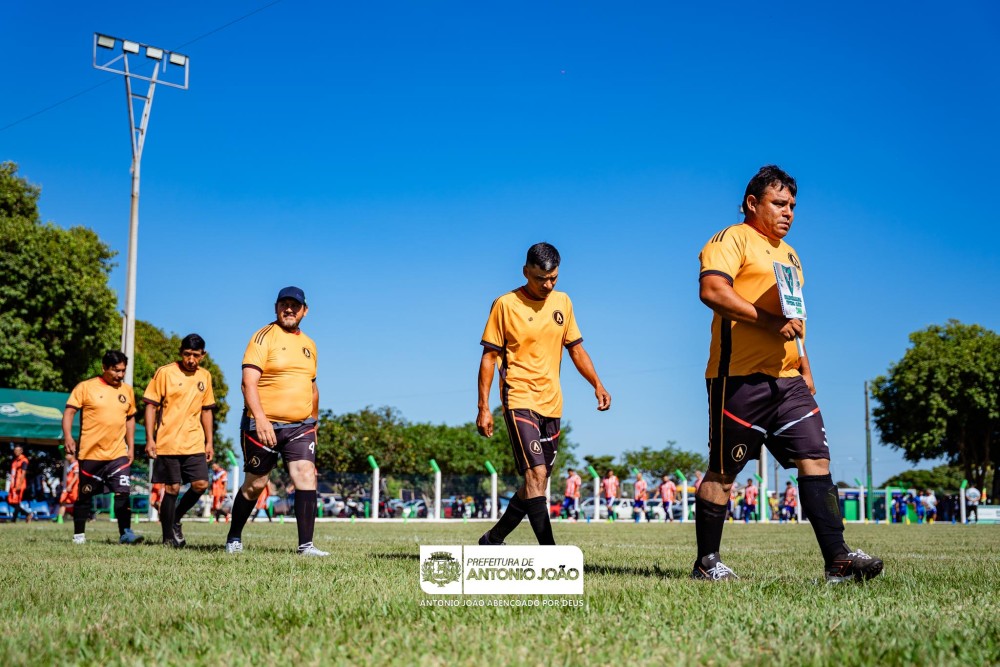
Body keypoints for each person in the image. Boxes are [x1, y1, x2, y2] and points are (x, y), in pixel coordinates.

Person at [693, 165, 882, 582]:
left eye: (793, 205)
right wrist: (768, 322)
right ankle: (707, 562)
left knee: (816, 458)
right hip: (737, 378)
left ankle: (838, 560)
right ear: (752, 203)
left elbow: (795, 319)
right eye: (779, 203)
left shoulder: (791, 255)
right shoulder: (730, 239)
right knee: (724, 473)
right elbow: (712, 291)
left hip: (789, 380)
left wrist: (805, 365)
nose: (788, 212)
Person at [476, 243, 611, 546]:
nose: (548, 285)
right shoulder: (505, 305)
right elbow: (488, 358)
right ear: (526, 272)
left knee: (536, 483)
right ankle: (550, 553)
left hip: (552, 403)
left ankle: (492, 539)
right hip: (518, 396)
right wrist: (483, 407)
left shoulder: (563, 302)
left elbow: (576, 349)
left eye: (553, 278)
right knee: (536, 474)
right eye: (541, 279)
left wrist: (598, 384)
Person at [226, 286, 325, 556]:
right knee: (256, 484)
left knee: (305, 474)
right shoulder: (262, 337)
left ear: (305, 311)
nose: (289, 309)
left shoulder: (310, 345)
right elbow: (248, 383)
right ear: (276, 308)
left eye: (295, 305)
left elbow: (312, 386)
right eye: (284, 304)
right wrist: (260, 419)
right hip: (262, 425)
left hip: (300, 426)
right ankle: (234, 537)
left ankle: (306, 546)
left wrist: (314, 421)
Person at [61, 350, 143, 544]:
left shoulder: (127, 391)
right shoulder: (85, 387)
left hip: (118, 453)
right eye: (115, 370)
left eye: (123, 370)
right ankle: (79, 535)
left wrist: (130, 446)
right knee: (85, 495)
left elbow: (130, 419)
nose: (120, 375)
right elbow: (69, 412)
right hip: (91, 453)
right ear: (104, 367)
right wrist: (68, 437)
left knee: (123, 492)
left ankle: (126, 533)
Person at [143, 333, 216, 548]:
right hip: (168, 441)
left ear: (203, 355)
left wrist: (209, 442)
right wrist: (150, 439)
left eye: (195, 355)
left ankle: (175, 518)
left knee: (201, 484)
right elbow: (151, 406)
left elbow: (207, 410)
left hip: (194, 441)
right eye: (187, 354)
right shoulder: (165, 373)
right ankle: (168, 539)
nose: (191, 359)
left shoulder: (205, 376)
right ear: (180, 353)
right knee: (172, 488)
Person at [8, 446, 33, 522]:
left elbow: (23, 473)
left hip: (19, 484)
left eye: (17, 450)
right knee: (10, 501)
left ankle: (13, 520)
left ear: (21, 451)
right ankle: (27, 514)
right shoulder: (15, 460)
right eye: (15, 450)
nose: (15, 452)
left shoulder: (24, 460)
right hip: (13, 484)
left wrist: (19, 484)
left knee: (17, 502)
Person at [56, 453, 79, 522]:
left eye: (68, 455)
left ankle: (82, 517)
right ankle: (60, 519)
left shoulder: (76, 464)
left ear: (73, 455)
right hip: (67, 488)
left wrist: (70, 485)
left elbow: (76, 476)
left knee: (76, 502)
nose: (66, 456)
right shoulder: (69, 464)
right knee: (63, 501)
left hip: (73, 488)